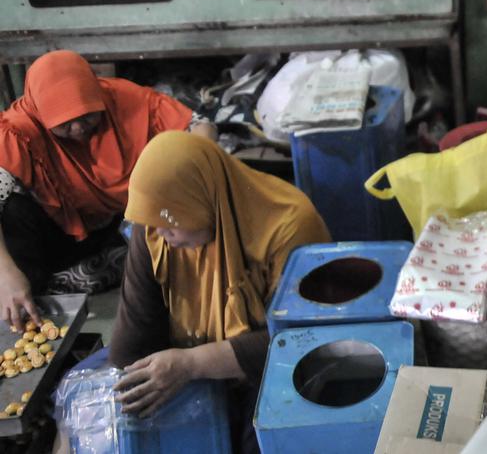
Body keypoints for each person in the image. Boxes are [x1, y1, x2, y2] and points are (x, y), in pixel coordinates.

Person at [109, 132, 330, 452]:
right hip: (199, 361)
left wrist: (190, 364)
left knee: (263, 440)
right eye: (151, 222)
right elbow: (131, 343)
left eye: (168, 222)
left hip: (272, 368)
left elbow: (301, 341)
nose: (159, 232)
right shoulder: (158, 226)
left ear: (199, 199)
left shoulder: (288, 227)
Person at [0, 50, 215, 329]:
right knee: (14, 214)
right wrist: (6, 275)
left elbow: (201, 125)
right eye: (64, 124)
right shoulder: (19, 128)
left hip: (118, 220)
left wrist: (195, 175)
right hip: (58, 228)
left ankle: (112, 260)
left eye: (87, 116)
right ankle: (28, 298)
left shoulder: (123, 100)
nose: (78, 129)